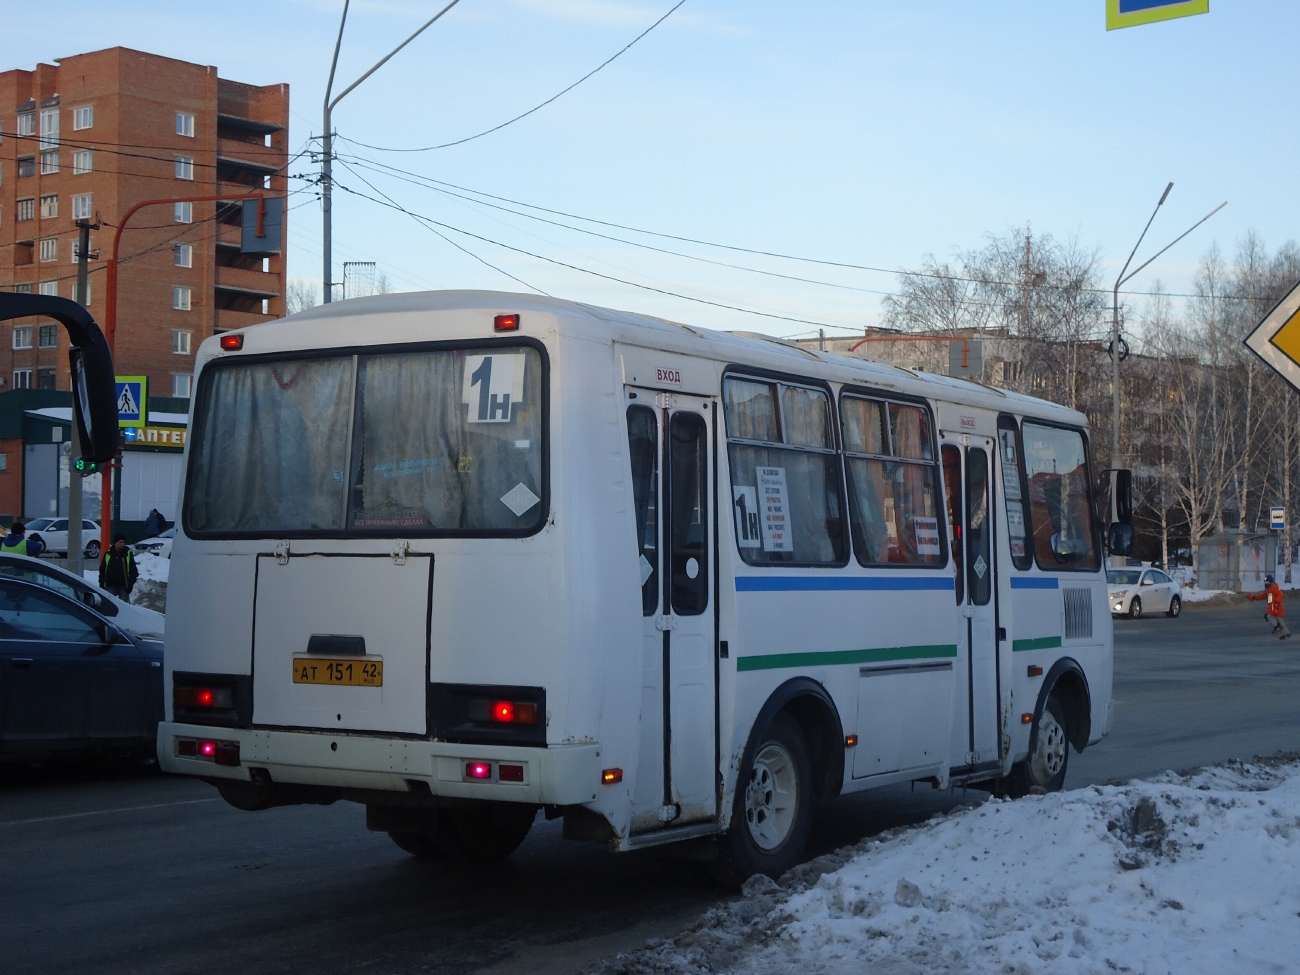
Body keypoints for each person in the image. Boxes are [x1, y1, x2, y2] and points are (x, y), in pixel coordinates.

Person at [1246, 574, 1290, 639]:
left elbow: (1280, 594)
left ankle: (1277, 626)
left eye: (1267, 582)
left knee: (1268, 615)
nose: (1265, 583)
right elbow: (1263, 596)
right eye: (1265, 582)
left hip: (1275, 606)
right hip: (1273, 606)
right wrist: (1253, 597)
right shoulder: (1269, 590)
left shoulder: (1273, 588)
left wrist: (1277, 602)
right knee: (1279, 619)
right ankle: (1286, 633)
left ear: (1270, 582)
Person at [99, 534, 139, 602]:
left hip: (123, 587)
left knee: (123, 607)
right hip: (110, 585)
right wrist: (102, 583)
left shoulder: (127, 554)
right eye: (120, 542)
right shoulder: (108, 554)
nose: (122, 544)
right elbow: (102, 569)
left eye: (123, 542)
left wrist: (130, 584)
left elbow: (133, 570)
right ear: (115, 543)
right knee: (108, 604)